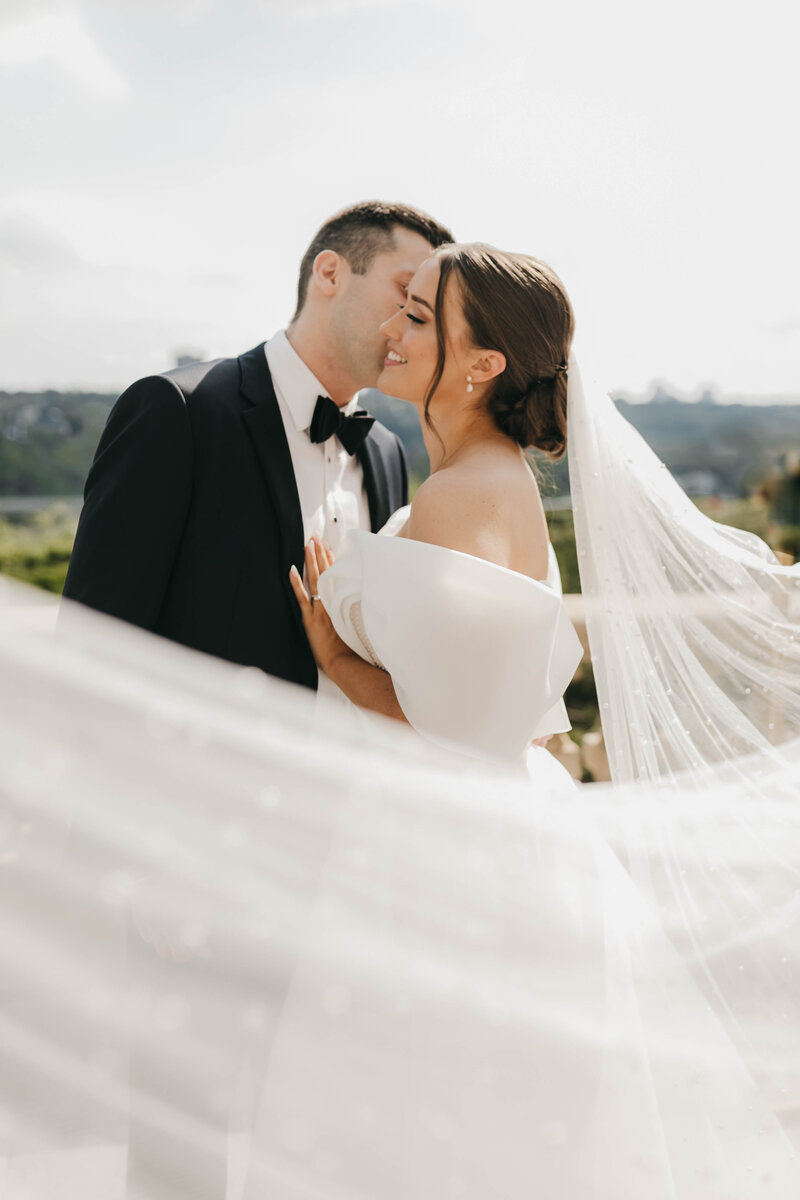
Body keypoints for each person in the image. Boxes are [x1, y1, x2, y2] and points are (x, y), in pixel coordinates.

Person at [62, 200, 454, 692]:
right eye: (405, 293)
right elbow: (93, 640)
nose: (415, 324)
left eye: (428, 312)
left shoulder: (387, 452)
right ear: (330, 273)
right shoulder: (179, 411)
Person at [289, 242, 584, 770]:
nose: (390, 328)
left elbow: (444, 736)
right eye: (403, 306)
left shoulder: (462, 494)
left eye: (418, 317)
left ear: (485, 363)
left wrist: (334, 653)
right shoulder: (488, 475)